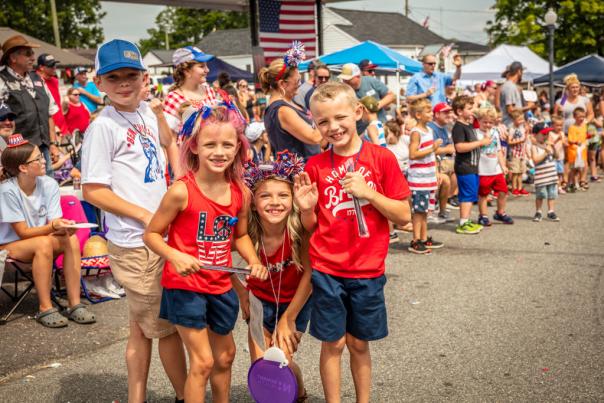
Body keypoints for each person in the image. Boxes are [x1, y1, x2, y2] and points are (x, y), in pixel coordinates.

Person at [81, 39, 186, 403]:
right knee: (166, 328)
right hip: (135, 242)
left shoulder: (143, 113)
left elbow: (169, 144)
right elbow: (92, 190)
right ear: (99, 82)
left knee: (141, 329)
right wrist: (145, 215)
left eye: (131, 75)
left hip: (156, 237)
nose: (124, 84)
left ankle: (136, 396)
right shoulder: (103, 127)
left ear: (144, 78)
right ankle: (186, 395)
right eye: (114, 78)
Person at [143, 102, 268, 403]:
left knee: (225, 356)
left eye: (228, 144)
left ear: (238, 147)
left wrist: (253, 261)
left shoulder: (241, 192)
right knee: (203, 362)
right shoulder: (180, 191)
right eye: (210, 144)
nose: (219, 152)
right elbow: (150, 234)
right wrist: (175, 255)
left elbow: (239, 237)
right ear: (195, 147)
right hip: (185, 288)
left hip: (221, 285)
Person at [295, 82, 411, 403]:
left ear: (358, 113)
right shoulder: (315, 166)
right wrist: (305, 210)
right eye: (323, 122)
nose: (333, 127)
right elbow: (312, 226)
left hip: (367, 270)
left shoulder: (382, 158)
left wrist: (369, 193)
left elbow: (403, 216)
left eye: (340, 118)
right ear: (315, 123)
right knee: (332, 343)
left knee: (359, 343)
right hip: (327, 269)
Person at [234, 153, 313, 402]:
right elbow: (221, 257)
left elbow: (310, 275)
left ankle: (297, 393)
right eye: (265, 195)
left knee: (282, 363)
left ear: (293, 200)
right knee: (262, 365)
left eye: (283, 195)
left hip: (295, 304)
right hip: (259, 303)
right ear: (253, 202)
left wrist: (288, 319)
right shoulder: (247, 234)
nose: (274, 202)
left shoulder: (299, 231)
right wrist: (242, 295)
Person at [0, 134, 96, 328]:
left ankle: (74, 304)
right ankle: (45, 307)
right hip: (8, 245)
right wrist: (53, 227)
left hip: (38, 238)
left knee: (72, 240)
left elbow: (54, 221)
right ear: (23, 168)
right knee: (43, 243)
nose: (45, 160)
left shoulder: (49, 184)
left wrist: (64, 228)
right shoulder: (7, 190)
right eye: (38, 158)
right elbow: (23, 232)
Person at [0, 35, 61, 173]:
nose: (33, 57)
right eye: (28, 53)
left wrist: (53, 144)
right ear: (13, 58)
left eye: (32, 53)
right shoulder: (2, 79)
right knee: (21, 192)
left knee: (48, 189)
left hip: (43, 149)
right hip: (18, 153)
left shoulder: (37, 77)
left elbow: (49, 113)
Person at [259, 49, 322, 159]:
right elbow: (314, 137)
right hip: (299, 173)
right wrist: (326, 115)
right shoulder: (282, 111)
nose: (300, 85)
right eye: (297, 81)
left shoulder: (283, 106)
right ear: (283, 84)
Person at [407, 99, 444, 254]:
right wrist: (432, 148)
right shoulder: (416, 132)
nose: (431, 114)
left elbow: (432, 155)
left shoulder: (429, 130)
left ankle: (423, 238)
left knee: (426, 210)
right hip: (418, 179)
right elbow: (413, 154)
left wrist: (436, 172)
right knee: (419, 211)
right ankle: (415, 240)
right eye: (428, 112)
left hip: (428, 178)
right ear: (418, 115)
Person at [452, 95, 489, 235]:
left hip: (472, 166)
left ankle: (466, 220)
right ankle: (463, 223)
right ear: (459, 111)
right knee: (466, 195)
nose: (473, 110)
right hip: (465, 166)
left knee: (470, 194)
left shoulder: (468, 124)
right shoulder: (458, 127)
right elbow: (460, 147)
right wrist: (480, 143)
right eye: (469, 108)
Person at [474, 107, 513, 226]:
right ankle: (483, 215)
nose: (487, 125)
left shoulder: (495, 132)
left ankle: (500, 212)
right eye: (485, 122)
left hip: (495, 169)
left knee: (503, 191)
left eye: (490, 122)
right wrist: (482, 141)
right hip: (482, 170)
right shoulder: (475, 134)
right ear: (479, 121)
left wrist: (503, 165)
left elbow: (498, 150)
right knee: (483, 194)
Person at [428, 102, 459, 213]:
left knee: (460, 166)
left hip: (444, 160)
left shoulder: (444, 127)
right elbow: (430, 150)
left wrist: (449, 148)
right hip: (434, 162)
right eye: (445, 112)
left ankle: (449, 199)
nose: (449, 115)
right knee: (455, 167)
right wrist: (447, 149)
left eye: (449, 112)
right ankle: (442, 202)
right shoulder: (431, 128)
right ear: (436, 114)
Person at [531, 128, 560, 222]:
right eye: (543, 134)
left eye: (547, 134)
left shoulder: (548, 145)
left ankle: (551, 211)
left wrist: (554, 148)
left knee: (552, 194)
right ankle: (538, 211)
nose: (546, 136)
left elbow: (557, 156)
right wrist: (545, 152)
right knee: (540, 195)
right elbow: (535, 160)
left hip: (551, 175)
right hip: (541, 176)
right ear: (535, 135)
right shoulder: (534, 147)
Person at [36, 53, 69, 135]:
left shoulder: (55, 80)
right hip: (49, 130)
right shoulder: (34, 81)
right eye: (51, 65)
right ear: (41, 67)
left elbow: (58, 102)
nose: (54, 67)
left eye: (54, 64)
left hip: (62, 127)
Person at [499, 61, 530, 126]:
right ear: (519, 71)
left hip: (514, 126)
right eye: (522, 72)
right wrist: (529, 107)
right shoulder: (509, 87)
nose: (522, 74)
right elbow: (511, 110)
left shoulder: (511, 86)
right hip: (511, 126)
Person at [507, 109, 529, 196]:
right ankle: (514, 188)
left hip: (522, 153)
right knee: (515, 172)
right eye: (519, 119)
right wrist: (519, 141)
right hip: (515, 153)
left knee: (520, 172)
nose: (521, 121)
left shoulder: (522, 128)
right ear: (514, 120)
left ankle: (520, 188)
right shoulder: (512, 129)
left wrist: (526, 133)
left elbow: (525, 139)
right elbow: (509, 142)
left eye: (522, 119)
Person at [567, 107, 588, 191]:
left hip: (582, 151)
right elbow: (570, 139)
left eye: (583, 116)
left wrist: (589, 137)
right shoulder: (572, 127)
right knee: (573, 169)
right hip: (574, 151)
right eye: (580, 117)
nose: (582, 119)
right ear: (574, 117)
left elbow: (585, 136)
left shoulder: (584, 126)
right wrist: (576, 142)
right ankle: (572, 183)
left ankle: (582, 181)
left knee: (583, 166)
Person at [548, 115, 567, 193]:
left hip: (561, 156)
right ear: (552, 126)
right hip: (553, 156)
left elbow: (564, 143)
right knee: (554, 173)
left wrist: (565, 142)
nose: (559, 127)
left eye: (561, 125)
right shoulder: (550, 134)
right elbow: (550, 143)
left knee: (560, 173)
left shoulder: (562, 133)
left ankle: (559, 186)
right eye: (557, 125)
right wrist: (557, 139)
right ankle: (556, 187)